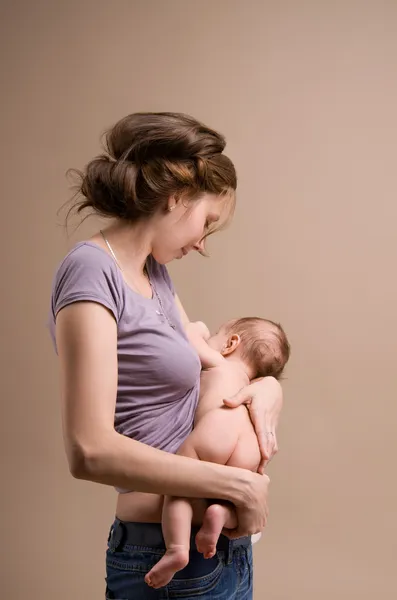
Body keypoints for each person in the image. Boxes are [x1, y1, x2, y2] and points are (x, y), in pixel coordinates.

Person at [48, 112, 284, 599]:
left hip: (220, 552)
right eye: (206, 223)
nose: (201, 244)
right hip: (164, 558)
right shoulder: (92, 272)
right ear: (175, 198)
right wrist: (237, 486)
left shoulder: (153, 273)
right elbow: (88, 450)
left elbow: (205, 376)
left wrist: (267, 387)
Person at [144, 317, 290, 589]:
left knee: (179, 483)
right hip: (249, 442)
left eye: (216, 334)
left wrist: (199, 328)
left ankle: (176, 549)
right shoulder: (250, 386)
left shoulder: (217, 362)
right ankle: (221, 514)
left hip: (219, 425)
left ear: (230, 344)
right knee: (235, 499)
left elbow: (186, 339)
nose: (210, 337)